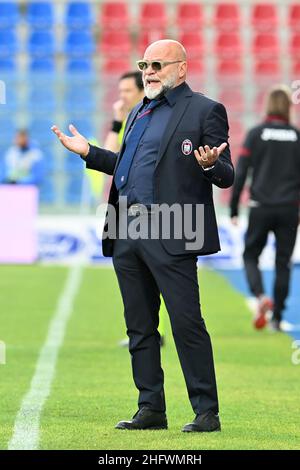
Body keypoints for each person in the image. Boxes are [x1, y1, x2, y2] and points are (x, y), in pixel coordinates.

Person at [52, 39, 234, 433]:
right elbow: (126, 167)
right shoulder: (139, 109)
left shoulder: (205, 109)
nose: (147, 72)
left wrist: (210, 166)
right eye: (143, 64)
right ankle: (151, 407)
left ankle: (206, 412)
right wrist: (89, 152)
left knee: (186, 324)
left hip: (173, 228)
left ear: (181, 68)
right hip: (127, 228)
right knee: (139, 326)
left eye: (156, 64)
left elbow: (226, 174)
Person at [104, 70, 167, 348]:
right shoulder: (130, 120)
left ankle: (154, 330)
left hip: (149, 210)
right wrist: (116, 122)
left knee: (155, 275)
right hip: (122, 208)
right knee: (134, 279)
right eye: (119, 92)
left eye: (127, 91)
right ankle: (143, 330)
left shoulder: (153, 120)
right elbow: (111, 158)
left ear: (142, 91)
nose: (122, 97)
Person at [230, 85, 300, 332]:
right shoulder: (296, 135)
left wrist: (234, 208)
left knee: (250, 255)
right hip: (289, 209)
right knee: (283, 263)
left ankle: (260, 297)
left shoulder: (256, 134)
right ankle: (278, 318)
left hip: (260, 206)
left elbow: (241, 172)